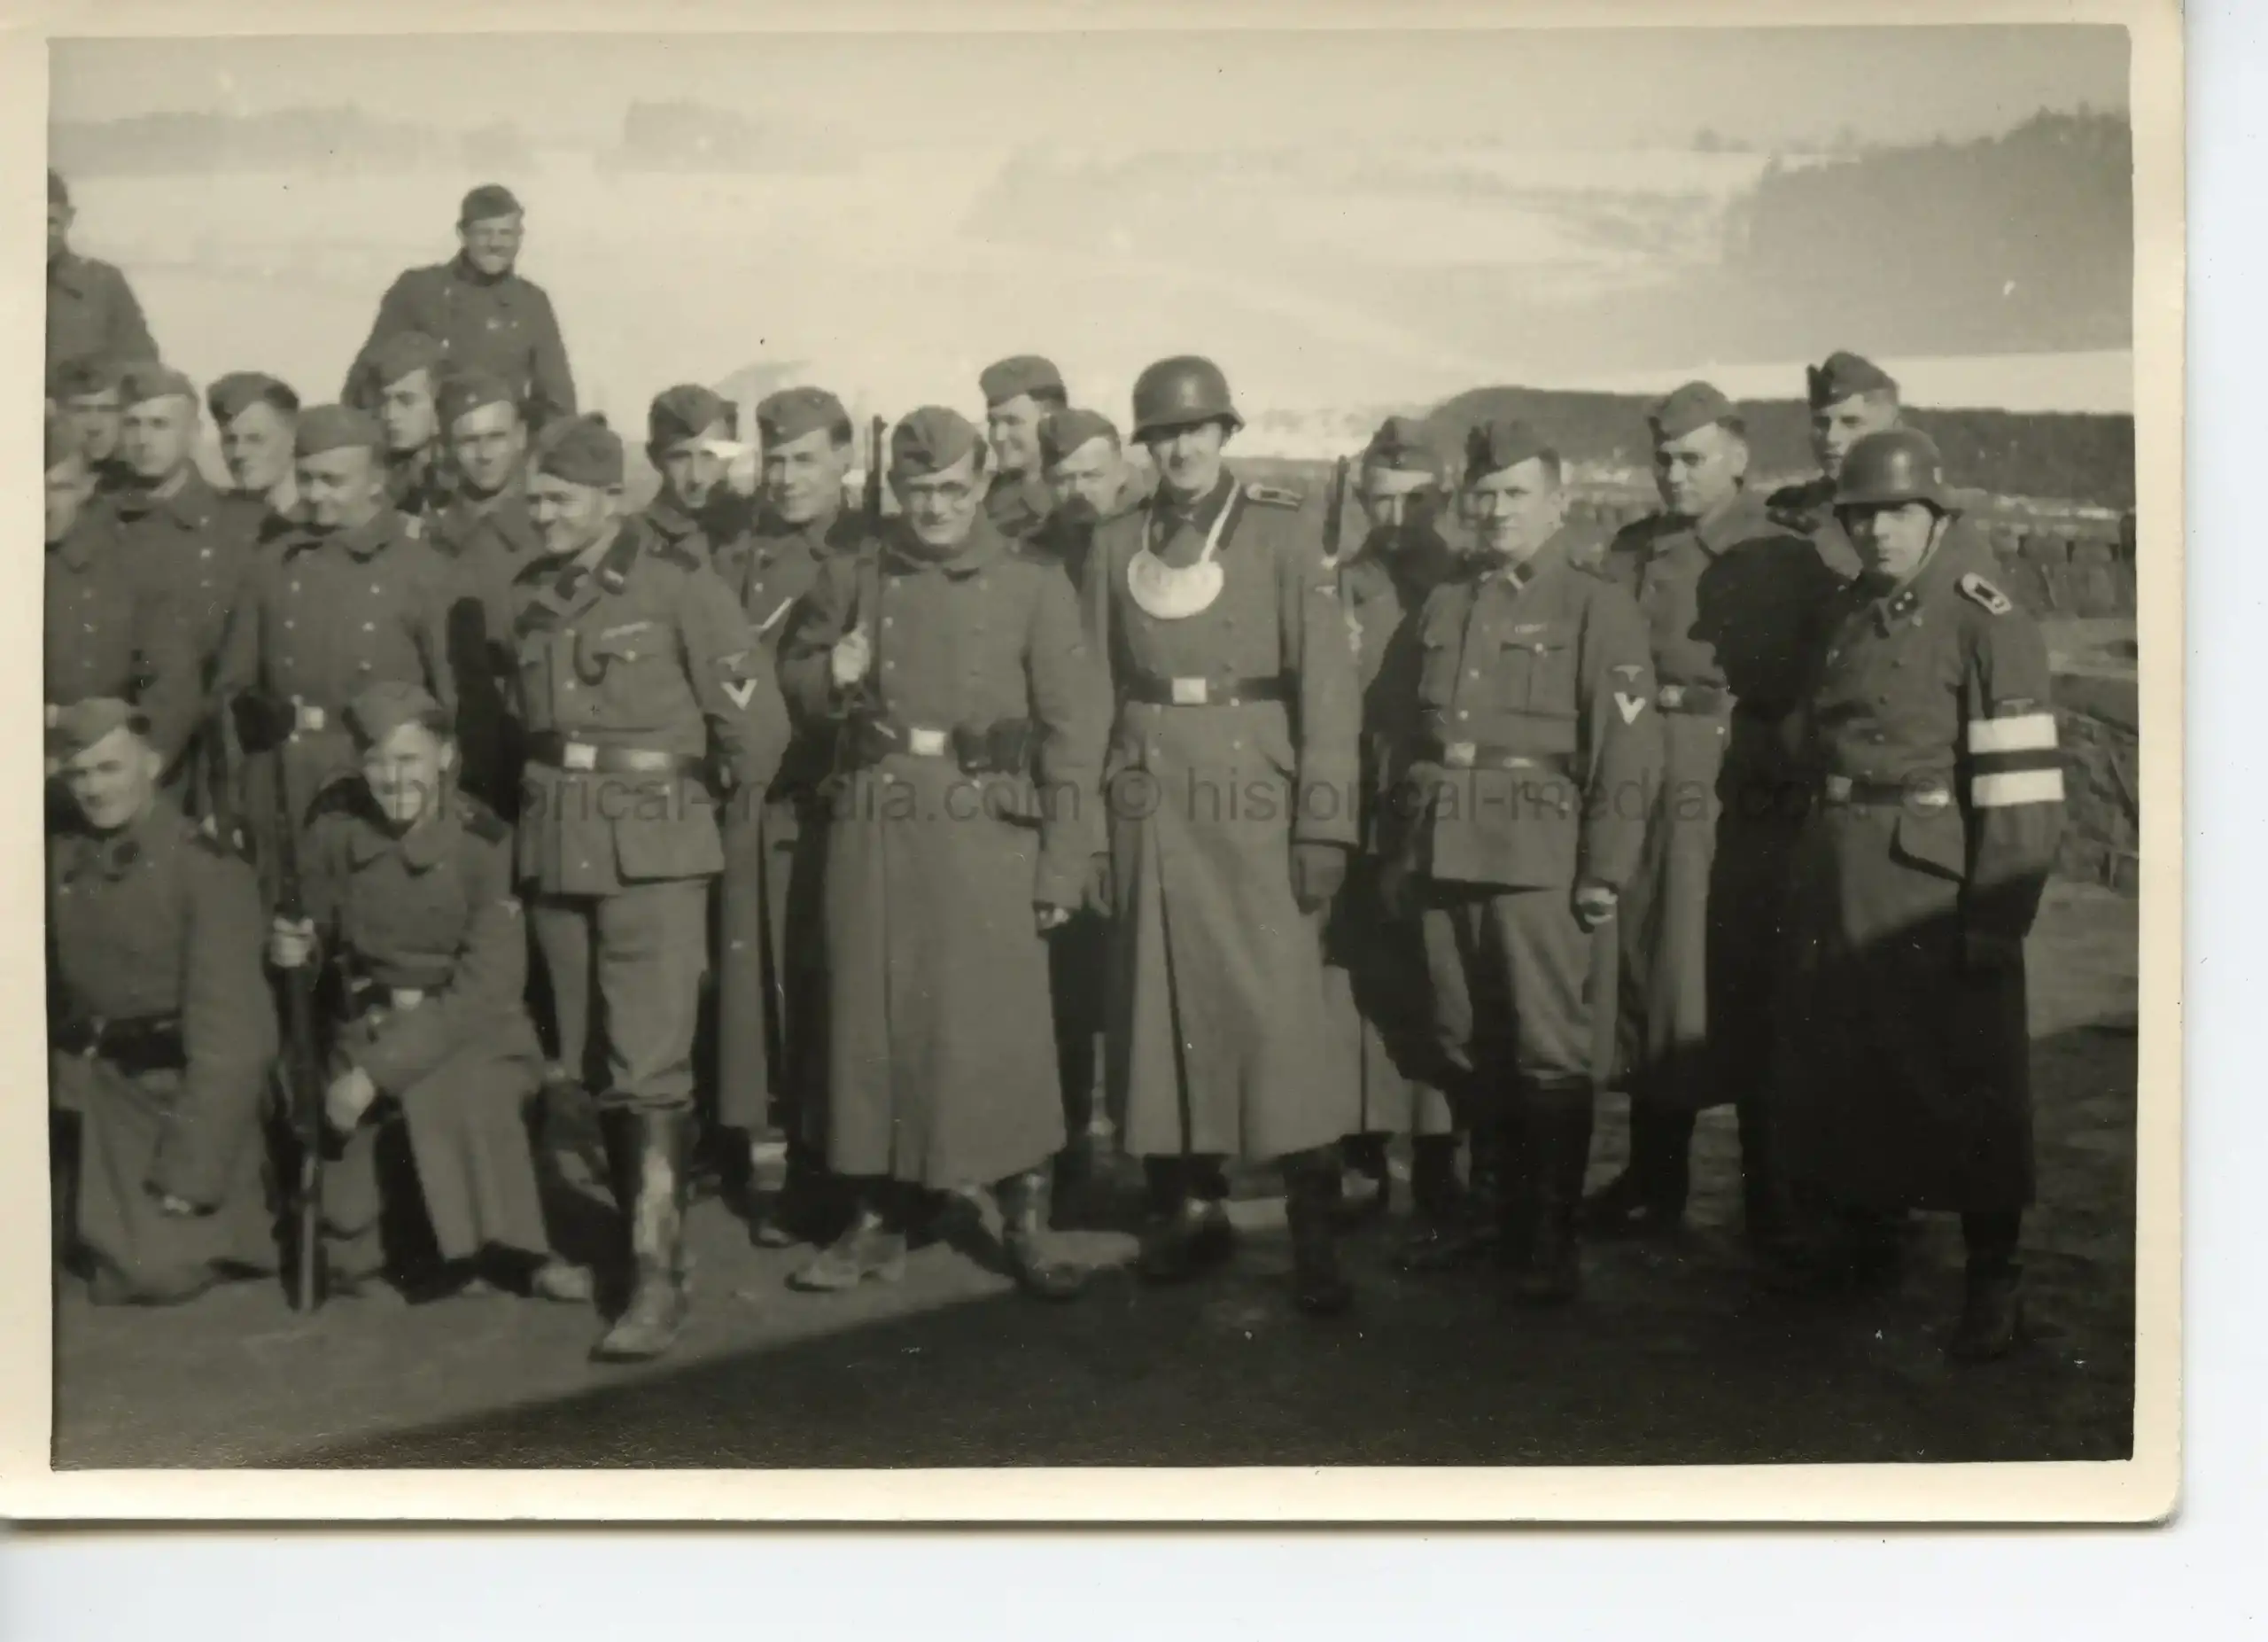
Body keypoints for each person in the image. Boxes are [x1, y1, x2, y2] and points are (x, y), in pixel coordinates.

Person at [778, 406, 1109, 1297]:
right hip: (877, 828)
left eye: (954, 489)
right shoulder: (854, 573)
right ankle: (877, 1214)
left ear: (983, 484)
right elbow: (794, 675)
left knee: (1003, 1028)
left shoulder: (1033, 582)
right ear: (895, 488)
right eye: (918, 489)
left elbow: (1074, 731)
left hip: (987, 830)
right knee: (871, 1021)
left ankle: (1025, 1220)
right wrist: (829, 675)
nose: (935, 507)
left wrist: (1063, 863)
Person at [1080, 354, 1363, 1316]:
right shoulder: (1114, 542)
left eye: (1196, 430)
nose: (1180, 449)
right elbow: (1088, 694)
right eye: (1162, 434)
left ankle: (1312, 1227)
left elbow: (1328, 692)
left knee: (1279, 1014)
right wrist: (1087, 831)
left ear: (1225, 432)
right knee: (1157, 1010)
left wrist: (1324, 825)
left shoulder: (1282, 533)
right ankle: (1187, 1209)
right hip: (1147, 800)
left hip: (1255, 804)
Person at [1772, 429, 2063, 1363]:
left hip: (1932, 882)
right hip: (1842, 866)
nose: (1878, 531)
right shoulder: (1851, 608)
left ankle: (1995, 1280)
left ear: (1935, 515)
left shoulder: (1984, 615)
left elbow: (2021, 783)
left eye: (1897, 513)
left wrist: (1997, 914)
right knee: (1854, 1062)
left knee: (1972, 1077)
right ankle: (1865, 1247)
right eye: (1860, 515)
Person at [509, 414, 788, 1361]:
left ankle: (657, 1273)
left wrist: (697, 825)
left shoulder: (680, 588)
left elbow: (757, 730)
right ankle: (623, 1239)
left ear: (611, 497)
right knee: (586, 1064)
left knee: (649, 1068)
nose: (542, 514)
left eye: (559, 499)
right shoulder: (533, 593)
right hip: (559, 849)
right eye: (534, 498)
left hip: (652, 855)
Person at [1378, 417, 1659, 1304]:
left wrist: (1604, 868)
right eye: (1486, 493)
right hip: (1441, 844)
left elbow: (1626, 749)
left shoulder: (1596, 605)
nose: (1497, 509)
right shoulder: (1447, 600)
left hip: (1537, 854)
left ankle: (1548, 1237)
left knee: (1545, 1050)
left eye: (1516, 493)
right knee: (1462, 1037)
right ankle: (1494, 1217)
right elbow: (1404, 732)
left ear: (1557, 502)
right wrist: (1399, 848)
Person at [1582, 382, 1851, 1249]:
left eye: (1692, 457)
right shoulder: (1631, 547)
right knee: (1649, 968)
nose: (1674, 473)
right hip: (1641, 776)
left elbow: (1818, 678)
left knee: (1735, 974)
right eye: (1663, 457)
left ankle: (1770, 1196)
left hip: (1732, 782)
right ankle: (1653, 1177)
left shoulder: (1780, 552)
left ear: (1737, 457)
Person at [268, 681, 593, 1303]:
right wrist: (294, 949)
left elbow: (487, 988)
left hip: (472, 1032)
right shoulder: (335, 834)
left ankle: (517, 1251)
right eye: (376, 762)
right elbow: (315, 936)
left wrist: (373, 1076)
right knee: (349, 1238)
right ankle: (433, 1248)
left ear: (444, 756)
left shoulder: (484, 843)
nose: (394, 779)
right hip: (366, 1025)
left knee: (463, 1089)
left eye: (409, 759)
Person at [48, 699, 276, 1304]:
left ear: (152, 763)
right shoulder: (62, 857)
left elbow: (234, 1043)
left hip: (164, 1099)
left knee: (150, 1274)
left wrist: (193, 1171)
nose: (94, 789)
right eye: (79, 773)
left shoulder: (205, 869)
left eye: (110, 768)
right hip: (81, 1087)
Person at [710, 385, 869, 1246]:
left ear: (845, 458)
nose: (787, 476)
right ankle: (754, 1152)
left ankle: (829, 1168)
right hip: (750, 797)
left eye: (806, 458)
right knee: (752, 984)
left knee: (826, 983)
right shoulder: (736, 553)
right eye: (775, 460)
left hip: (830, 797)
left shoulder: (869, 551)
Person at [214, 405, 461, 910]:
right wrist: (234, 792)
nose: (315, 493)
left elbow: (453, 705)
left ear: (377, 480)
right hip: (279, 784)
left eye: (334, 480)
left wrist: (440, 809)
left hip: (373, 789)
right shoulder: (272, 564)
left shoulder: (422, 571)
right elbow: (230, 691)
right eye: (306, 478)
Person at [1324, 416, 1466, 1254]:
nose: (1395, 516)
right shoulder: (1341, 583)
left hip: (1437, 809)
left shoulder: (1468, 582)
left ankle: (1441, 1160)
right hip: (1360, 804)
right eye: (1380, 500)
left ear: (1442, 497)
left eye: (1413, 499)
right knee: (1357, 986)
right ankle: (1365, 1154)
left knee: (1439, 986)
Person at [1021, 406, 1149, 1220]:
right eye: (1062, 476)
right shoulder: (1029, 559)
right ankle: (1069, 1154)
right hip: (1059, 788)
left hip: (1142, 784)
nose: (1078, 491)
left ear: (1123, 470)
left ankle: (1161, 1167)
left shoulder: (1153, 548)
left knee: (1144, 982)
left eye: (1092, 474)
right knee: (1063, 989)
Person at [353, 183, 575, 432]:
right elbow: (365, 380)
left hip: (490, 443)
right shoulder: (419, 290)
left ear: (519, 236)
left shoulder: (531, 303)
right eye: (484, 233)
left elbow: (558, 404)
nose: (495, 243)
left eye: (506, 233)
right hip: (426, 444)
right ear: (462, 233)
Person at [45, 414, 198, 774]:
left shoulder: (127, 564)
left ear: (87, 488)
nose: (44, 504)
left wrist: (149, 761)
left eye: (60, 487)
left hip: (100, 768)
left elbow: (173, 679)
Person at [431, 371, 542, 820]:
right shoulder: (429, 534)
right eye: (468, 440)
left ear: (521, 437)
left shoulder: (548, 528)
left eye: (496, 436)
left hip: (526, 740)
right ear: (447, 447)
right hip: (446, 741)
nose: (484, 454)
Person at [1766, 350, 1897, 579]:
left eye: (1851, 422)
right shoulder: (1790, 508)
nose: (1831, 437)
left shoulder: (1923, 511)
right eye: (1821, 422)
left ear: (1890, 430)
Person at [46, 169, 157, 377]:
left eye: (50, 222)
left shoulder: (103, 284)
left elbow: (145, 367)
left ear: (69, 217)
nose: (38, 234)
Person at [638, 385, 749, 567]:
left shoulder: (759, 531)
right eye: (679, 458)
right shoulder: (634, 545)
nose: (696, 477)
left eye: (709, 456)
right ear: (654, 458)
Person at [353, 331, 456, 526]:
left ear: (439, 406)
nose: (390, 414)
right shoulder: (372, 470)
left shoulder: (460, 476)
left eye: (406, 401)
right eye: (384, 401)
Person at [207, 372, 304, 545]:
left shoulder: (318, 521)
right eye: (230, 440)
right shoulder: (216, 521)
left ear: (293, 438)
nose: (239, 453)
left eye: (255, 439)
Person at [979, 354, 1068, 542]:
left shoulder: (1075, 489)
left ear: (1051, 422)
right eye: (993, 422)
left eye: (1013, 422)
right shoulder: (998, 490)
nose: (999, 436)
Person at [50, 357, 132, 493]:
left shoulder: (150, 481)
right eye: (81, 410)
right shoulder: (50, 486)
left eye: (107, 409)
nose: (95, 426)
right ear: (62, 415)